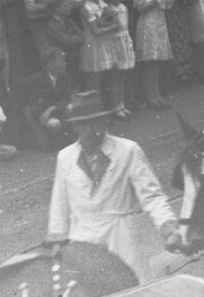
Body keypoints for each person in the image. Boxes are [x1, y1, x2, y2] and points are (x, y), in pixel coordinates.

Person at [44, 90, 184, 284]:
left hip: (121, 238)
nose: (89, 129)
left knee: (131, 290)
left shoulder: (128, 150)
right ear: (74, 126)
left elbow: (152, 196)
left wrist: (168, 226)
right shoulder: (65, 157)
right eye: (83, 123)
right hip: (82, 241)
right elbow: (59, 202)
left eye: (95, 122)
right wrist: (57, 239)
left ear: (105, 121)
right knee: (89, 295)